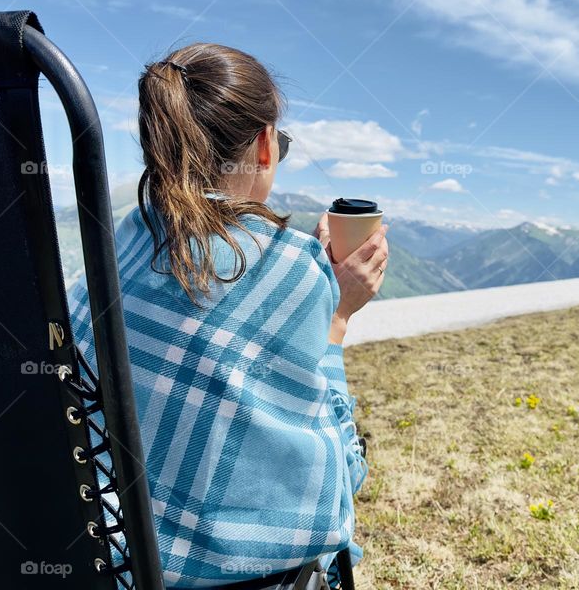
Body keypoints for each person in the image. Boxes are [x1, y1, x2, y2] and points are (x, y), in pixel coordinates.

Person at [67, 42, 388, 588]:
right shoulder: (293, 267)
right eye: (280, 141)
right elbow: (336, 480)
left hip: (105, 560)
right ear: (264, 146)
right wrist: (335, 316)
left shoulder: (120, 239)